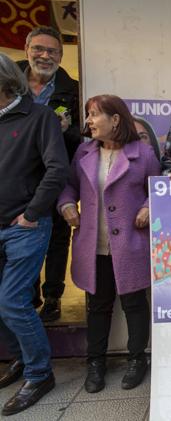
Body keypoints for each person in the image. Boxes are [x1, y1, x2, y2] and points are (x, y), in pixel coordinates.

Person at [58, 95, 160, 394]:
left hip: (130, 244)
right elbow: (68, 186)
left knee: (134, 305)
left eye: (93, 115)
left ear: (115, 119)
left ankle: (137, 359)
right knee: (98, 306)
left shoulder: (143, 153)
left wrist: (148, 206)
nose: (88, 121)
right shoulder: (84, 152)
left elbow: (156, 188)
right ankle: (96, 362)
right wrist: (66, 205)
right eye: (88, 115)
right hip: (94, 246)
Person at [0, 53, 68, 416]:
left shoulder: (39, 117)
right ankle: (23, 361)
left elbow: (57, 169)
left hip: (23, 227)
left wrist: (31, 213)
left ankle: (40, 373)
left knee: (12, 301)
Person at [18, 26, 81, 322]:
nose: (45, 56)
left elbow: (85, 135)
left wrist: (66, 132)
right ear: (27, 48)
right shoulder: (9, 81)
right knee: (20, 234)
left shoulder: (72, 89)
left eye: (52, 51)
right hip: (15, 174)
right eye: (39, 49)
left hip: (54, 173)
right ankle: (28, 295)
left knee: (57, 235)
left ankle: (53, 295)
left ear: (61, 55)